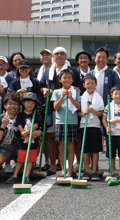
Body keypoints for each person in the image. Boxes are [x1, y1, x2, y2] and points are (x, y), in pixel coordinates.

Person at [39, 46, 84, 175]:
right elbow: (41, 85)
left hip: (70, 111)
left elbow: (80, 86)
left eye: (62, 53)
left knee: (70, 142)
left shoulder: (73, 71)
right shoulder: (47, 71)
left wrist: (77, 90)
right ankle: (53, 165)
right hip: (53, 109)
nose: (59, 56)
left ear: (66, 56)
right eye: (56, 54)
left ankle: (68, 168)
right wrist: (43, 90)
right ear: (53, 57)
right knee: (53, 138)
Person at [5, 92, 42, 184]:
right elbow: (19, 124)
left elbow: (36, 124)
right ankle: (15, 175)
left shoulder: (35, 114)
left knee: (30, 160)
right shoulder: (21, 114)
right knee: (20, 159)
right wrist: (23, 133)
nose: (30, 105)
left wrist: (28, 132)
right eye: (28, 102)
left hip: (33, 142)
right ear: (23, 103)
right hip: (22, 141)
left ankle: (26, 175)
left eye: (33, 103)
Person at [51, 69, 81, 178]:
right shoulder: (56, 92)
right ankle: (63, 169)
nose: (67, 80)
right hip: (61, 122)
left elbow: (78, 107)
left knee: (71, 147)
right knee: (62, 146)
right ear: (60, 79)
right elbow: (55, 107)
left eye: (69, 78)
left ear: (72, 80)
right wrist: (62, 96)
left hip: (72, 121)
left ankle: (70, 170)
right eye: (64, 78)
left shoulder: (76, 92)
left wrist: (71, 97)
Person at [77, 75, 104, 181]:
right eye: (87, 83)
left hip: (95, 125)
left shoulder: (98, 97)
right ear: (84, 85)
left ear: (96, 84)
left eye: (92, 83)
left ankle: (94, 171)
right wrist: (84, 113)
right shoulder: (81, 96)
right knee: (85, 149)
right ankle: (86, 171)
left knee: (95, 149)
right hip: (84, 125)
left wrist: (93, 111)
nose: (90, 85)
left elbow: (101, 113)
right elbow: (78, 113)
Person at [102, 85, 120, 182]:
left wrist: (116, 120)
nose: (118, 96)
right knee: (111, 154)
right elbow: (104, 118)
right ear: (112, 95)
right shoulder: (108, 106)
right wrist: (106, 127)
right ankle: (112, 173)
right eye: (115, 94)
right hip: (111, 133)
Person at [0, 92, 20, 172]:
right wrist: (3, 126)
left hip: (18, 147)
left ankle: (19, 165)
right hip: (3, 147)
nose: (13, 106)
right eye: (10, 103)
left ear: (19, 106)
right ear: (5, 105)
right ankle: (7, 164)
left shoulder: (22, 118)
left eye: (16, 104)